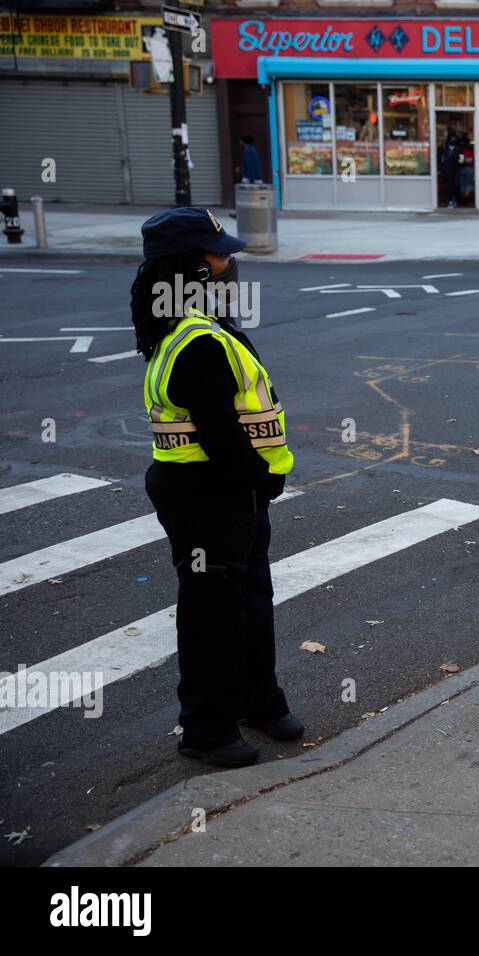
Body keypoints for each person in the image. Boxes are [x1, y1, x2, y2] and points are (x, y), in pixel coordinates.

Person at [129, 207, 301, 768]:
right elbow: (222, 433)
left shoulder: (193, 325)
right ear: (192, 267)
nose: (229, 261)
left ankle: (259, 700)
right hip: (209, 491)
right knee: (213, 611)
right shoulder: (195, 341)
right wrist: (263, 477)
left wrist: (259, 483)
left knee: (250, 597)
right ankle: (206, 729)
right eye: (218, 252)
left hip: (228, 490)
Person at [439, 132, 462, 207]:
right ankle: (449, 200)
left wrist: (461, 162)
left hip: (456, 169)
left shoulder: (458, 149)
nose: (453, 140)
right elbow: (440, 159)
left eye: (454, 139)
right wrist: (441, 168)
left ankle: (455, 199)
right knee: (449, 185)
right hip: (447, 170)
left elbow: (461, 159)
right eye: (451, 139)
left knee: (456, 184)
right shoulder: (443, 148)